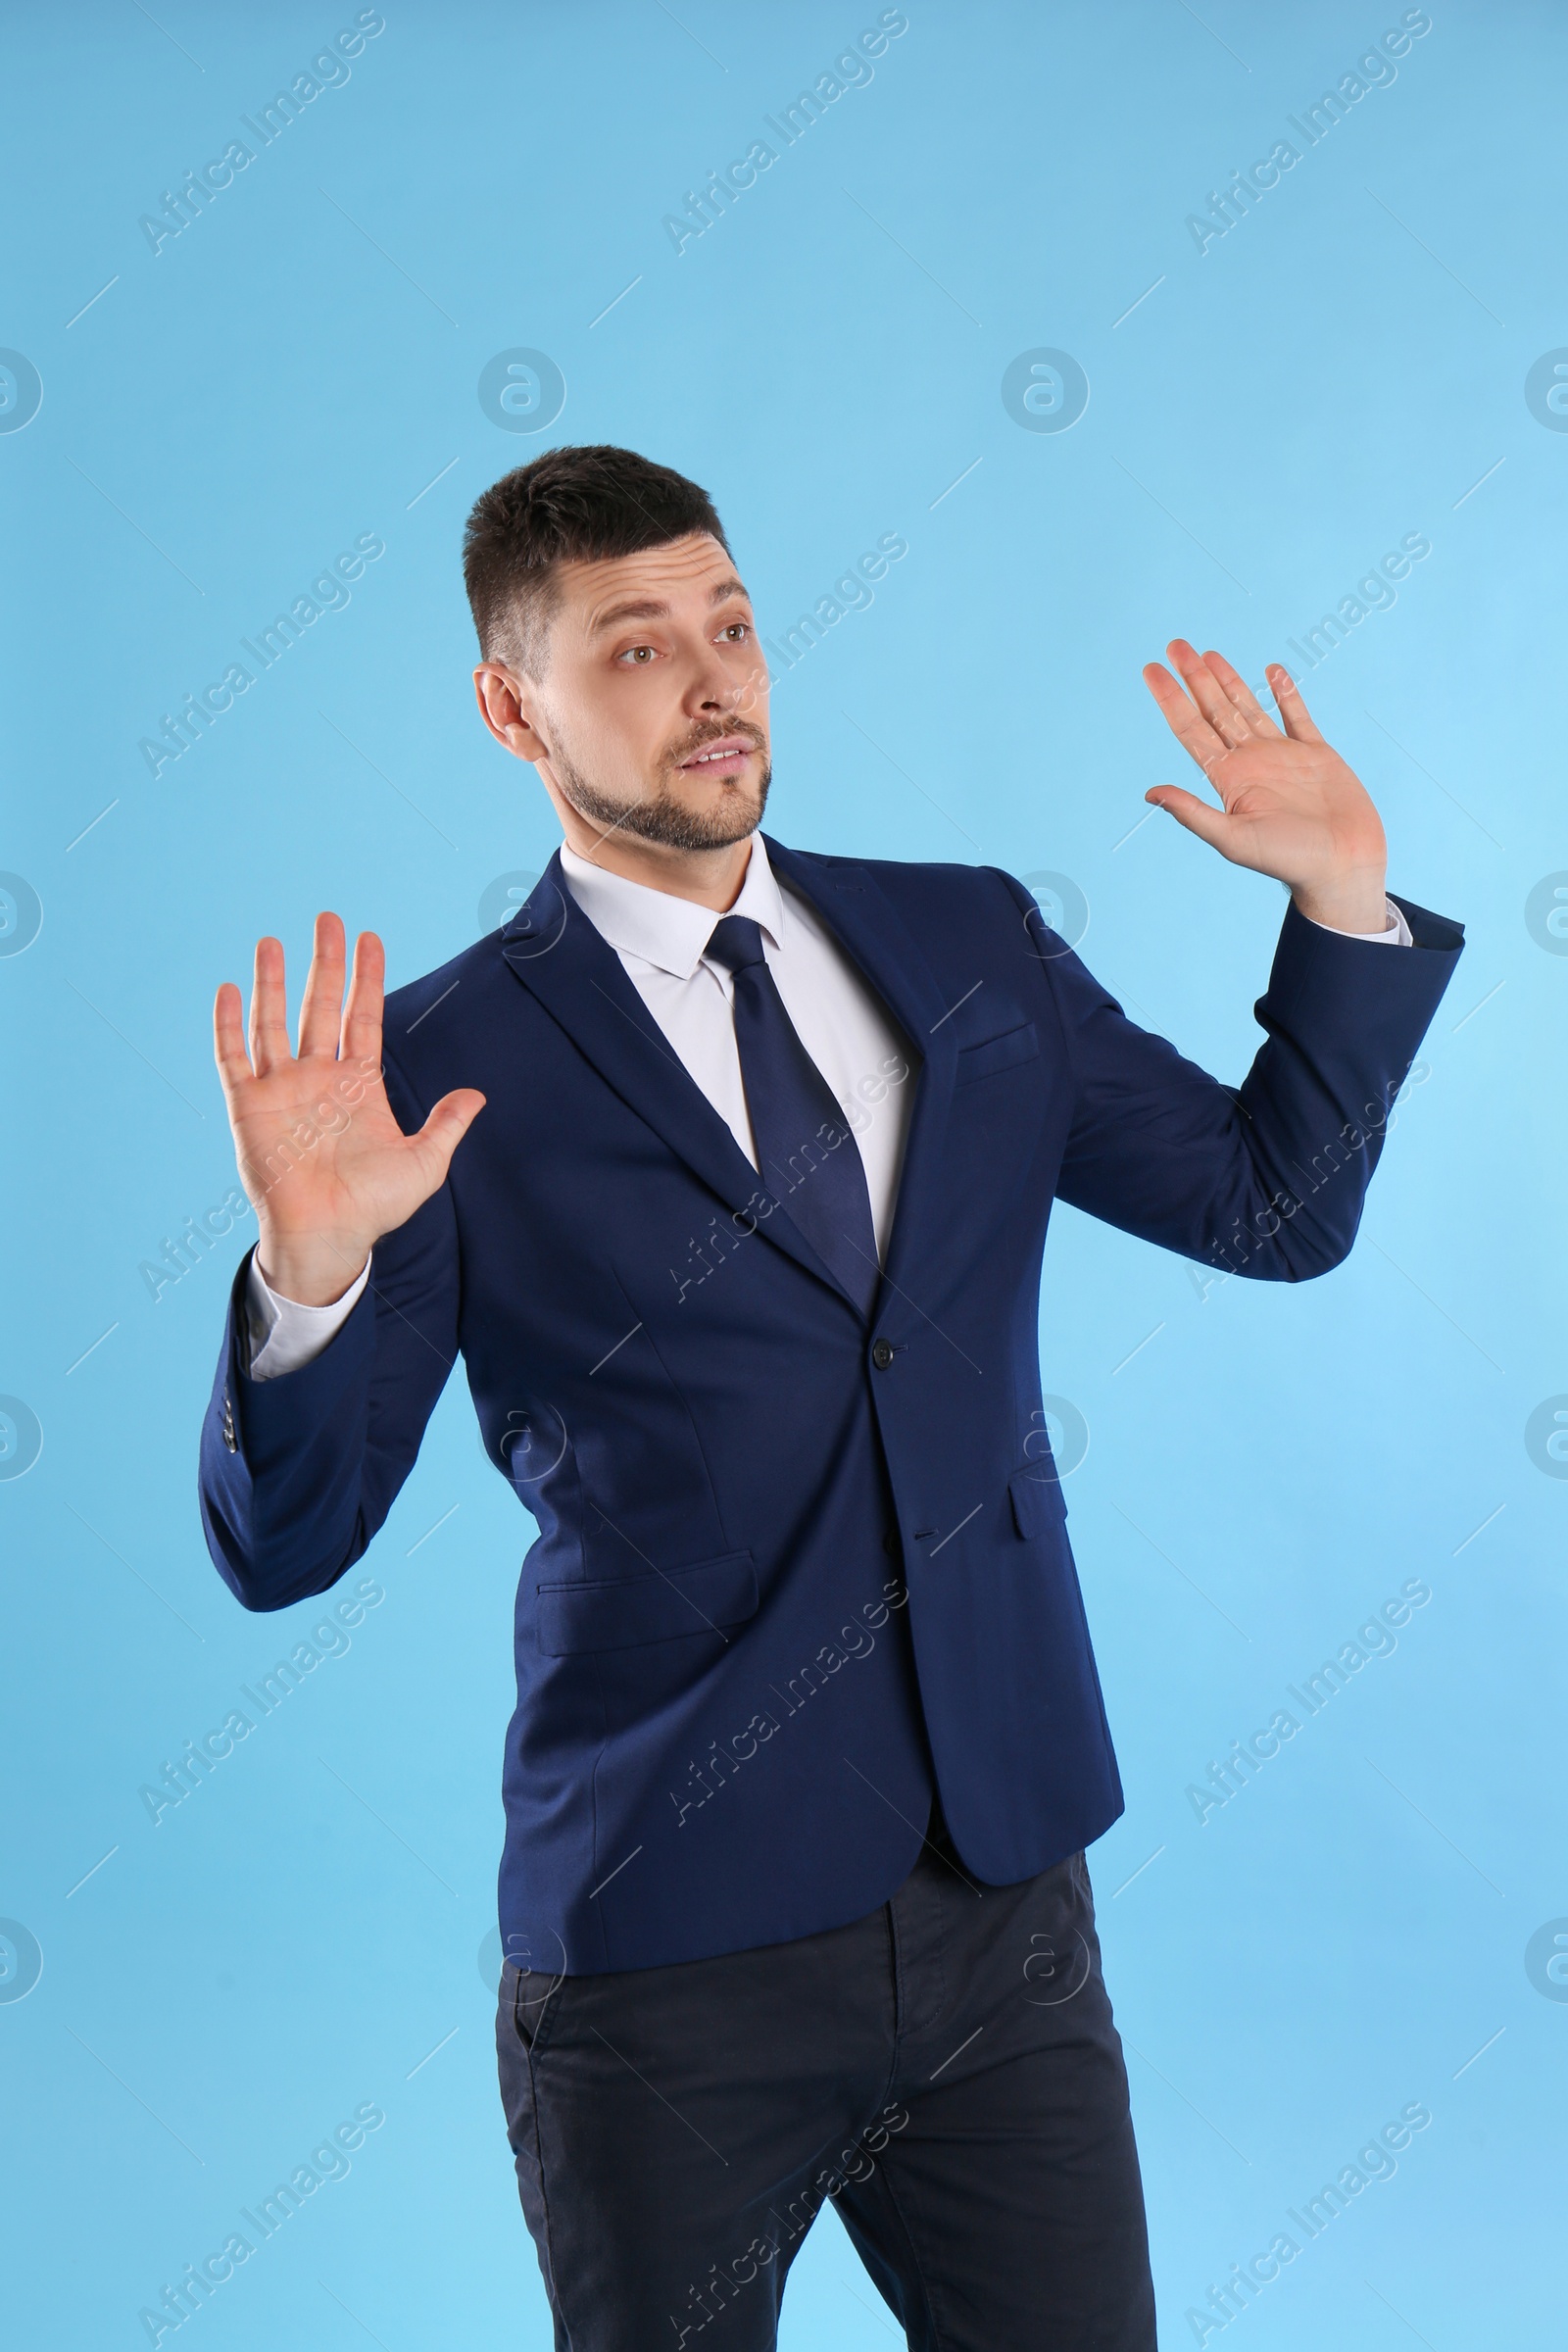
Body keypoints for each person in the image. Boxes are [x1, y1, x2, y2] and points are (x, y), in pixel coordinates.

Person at [199, 444, 1462, 2349]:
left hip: (999, 1912)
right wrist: (307, 1278)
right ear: (510, 704)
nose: (711, 680)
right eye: (634, 646)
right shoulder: (435, 1070)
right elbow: (284, 1547)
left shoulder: (968, 945)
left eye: (730, 624)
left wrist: (1342, 908)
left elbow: (1262, 1207)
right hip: (668, 1954)